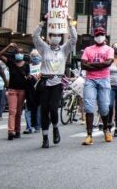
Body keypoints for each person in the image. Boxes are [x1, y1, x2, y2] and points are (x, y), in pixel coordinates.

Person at [32, 15, 77, 148]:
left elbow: (74, 39)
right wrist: (42, 21)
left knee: (53, 108)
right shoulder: (44, 48)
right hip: (45, 82)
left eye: (58, 35)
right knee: (44, 109)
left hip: (57, 82)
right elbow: (35, 37)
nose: (56, 37)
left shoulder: (64, 49)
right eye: (53, 35)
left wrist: (69, 22)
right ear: (49, 37)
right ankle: (45, 137)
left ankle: (55, 128)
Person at [81, 27, 114, 146]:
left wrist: (91, 64)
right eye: (98, 34)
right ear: (94, 36)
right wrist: (101, 65)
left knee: (104, 107)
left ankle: (106, 129)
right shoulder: (88, 49)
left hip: (104, 80)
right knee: (89, 107)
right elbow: (83, 65)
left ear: (105, 35)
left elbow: (108, 63)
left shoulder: (109, 49)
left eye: (102, 34)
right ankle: (89, 135)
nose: (100, 36)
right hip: (90, 80)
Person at [0, 42, 30, 140]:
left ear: (23, 54)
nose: (19, 54)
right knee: (12, 111)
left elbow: (28, 76)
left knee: (19, 112)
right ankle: (11, 131)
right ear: (14, 54)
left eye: (20, 52)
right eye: (17, 52)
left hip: (22, 90)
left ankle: (18, 130)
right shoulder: (11, 62)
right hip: (12, 90)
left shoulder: (26, 65)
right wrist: (9, 46)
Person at [24, 49, 42, 134]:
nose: (35, 57)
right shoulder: (28, 66)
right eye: (33, 56)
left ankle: (37, 126)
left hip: (39, 90)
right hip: (29, 90)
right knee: (28, 108)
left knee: (38, 109)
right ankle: (29, 127)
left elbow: (41, 76)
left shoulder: (42, 66)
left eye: (37, 56)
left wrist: (36, 77)